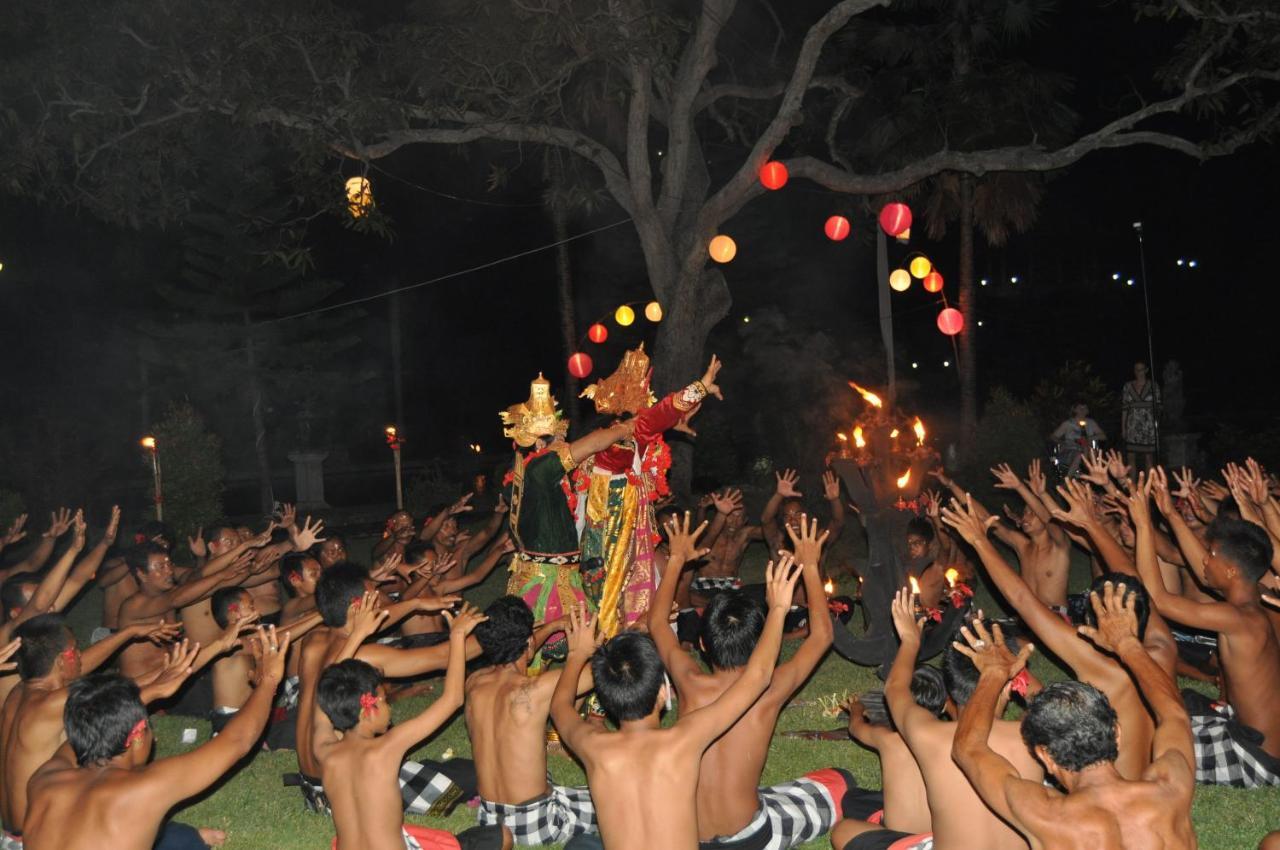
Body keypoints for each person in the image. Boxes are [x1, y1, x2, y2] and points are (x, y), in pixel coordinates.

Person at [551, 557, 800, 850]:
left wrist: (577, 655)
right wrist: (779, 608)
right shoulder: (685, 739)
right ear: (662, 692)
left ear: (606, 698)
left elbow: (559, 707)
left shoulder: (592, 745)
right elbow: (757, 676)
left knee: (581, 844)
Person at [649, 514, 862, 849]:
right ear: (761, 643)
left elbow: (659, 623)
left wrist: (675, 559)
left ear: (704, 644)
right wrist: (809, 564)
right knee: (839, 781)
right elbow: (822, 635)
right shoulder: (770, 690)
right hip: (751, 837)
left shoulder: (688, 681)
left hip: (687, 831)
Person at [951, 585, 1197, 850]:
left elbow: (968, 748)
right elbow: (1174, 714)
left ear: (1046, 756)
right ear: (1116, 732)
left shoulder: (1046, 815)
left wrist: (993, 673)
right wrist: (1127, 644)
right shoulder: (1170, 788)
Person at [940, 493, 1168, 779]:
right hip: (1147, 782)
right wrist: (1093, 526)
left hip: (1105, 794)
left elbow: (1024, 600)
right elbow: (1136, 583)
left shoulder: (1104, 668)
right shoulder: (1163, 648)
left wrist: (978, 541)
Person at [21, 626, 290, 850]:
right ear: (136, 735)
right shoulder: (144, 789)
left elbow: (89, 725)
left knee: (175, 837)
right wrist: (269, 681)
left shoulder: (45, 777)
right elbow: (237, 742)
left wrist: (154, 689)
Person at [830, 588, 1043, 850]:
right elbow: (1042, 697)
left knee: (844, 831)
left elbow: (895, 688)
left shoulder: (928, 735)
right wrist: (1007, 666)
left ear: (950, 690)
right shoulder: (1034, 733)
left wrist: (910, 640)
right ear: (1013, 683)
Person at [313, 605, 509, 850]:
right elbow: (453, 700)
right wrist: (457, 637)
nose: (388, 706)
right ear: (367, 710)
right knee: (501, 836)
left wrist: (356, 636)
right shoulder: (387, 748)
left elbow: (320, 704)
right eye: (383, 699)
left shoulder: (325, 750)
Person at [1129, 471, 1280, 785]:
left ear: (1229, 569)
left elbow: (1158, 598)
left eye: (1211, 554)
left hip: (1253, 757)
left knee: (1144, 743)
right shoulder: (1258, 598)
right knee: (1168, 709)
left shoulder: (1239, 619)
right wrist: (1169, 513)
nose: (1205, 562)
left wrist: (1144, 523)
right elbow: (1202, 566)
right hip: (1244, 730)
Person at [292, 567, 480, 815]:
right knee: (479, 774)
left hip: (312, 783)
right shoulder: (363, 655)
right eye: (374, 595)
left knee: (445, 767)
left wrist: (416, 603)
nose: (382, 600)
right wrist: (499, 633)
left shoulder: (312, 642)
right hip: (348, 790)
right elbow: (442, 656)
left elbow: (377, 619)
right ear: (356, 606)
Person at [0, 614, 190, 844]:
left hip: (15, 830)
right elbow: (119, 693)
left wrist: (128, 632)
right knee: (173, 836)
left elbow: (77, 667)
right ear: (61, 661)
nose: (80, 655)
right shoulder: (49, 704)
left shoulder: (19, 693)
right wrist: (166, 680)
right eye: (76, 649)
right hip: (39, 836)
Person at [575, 348, 720, 637]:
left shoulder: (623, 440)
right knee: (614, 590)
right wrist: (701, 386)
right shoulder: (620, 440)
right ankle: (618, 643)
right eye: (644, 392)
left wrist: (670, 430)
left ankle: (628, 637)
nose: (648, 398)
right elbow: (660, 414)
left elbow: (653, 428)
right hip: (614, 532)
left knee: (630, 588)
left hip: (623, 529)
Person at [498, 373, 635, 668]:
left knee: (575, 644)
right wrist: (627, 428)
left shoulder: (523, 474)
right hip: (547, 578)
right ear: (538, 445)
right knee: (535, 656)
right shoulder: (540, 469)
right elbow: (594, 443)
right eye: (558, 439)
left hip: (542, 570)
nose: (564, 442)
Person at [464, 596, 596, 844]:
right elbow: (599, 671)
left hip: (489, 819)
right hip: (536, 823)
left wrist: (555, 625)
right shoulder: (537, 689)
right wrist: (591, 645)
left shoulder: (473, 683)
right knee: (609, 796)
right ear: (527, 643)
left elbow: (525, 643)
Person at [841, 669, 947, 837]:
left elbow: (855, 727)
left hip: (895, 834)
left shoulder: (888, 740)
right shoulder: (951, 738)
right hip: (943, 829)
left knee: (851, 799)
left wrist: (856, 709)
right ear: (944, 706)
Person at [1121, 361, 1160, 473]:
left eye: (1141, 369)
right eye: (1136, 369)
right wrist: (1123, 428)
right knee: (1131, 458)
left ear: (1146, 370)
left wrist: (1156, 426)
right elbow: (1124, 409)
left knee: (1149, 458)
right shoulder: (1128, 386)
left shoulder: (1153, 385)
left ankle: (1149, 487)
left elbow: (1158, 408)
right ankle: (1132, 487)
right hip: (1132, 426)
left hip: (1148, 427)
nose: (1139, 372)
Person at [1050, 403, 1107, 478]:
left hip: (1087, 450)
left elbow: (1103, 436)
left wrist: (1091, 438)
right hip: (1071, 450)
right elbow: (1053, 436)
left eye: (1085, 408)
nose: (1082, 410)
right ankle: (1067, 480)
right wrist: (1062, 443)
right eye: (1080, 408)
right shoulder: (1068, 424)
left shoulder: (1091, 423)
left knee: (1092, 452)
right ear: (1075, 410)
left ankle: (1092, 478)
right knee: (1079, 455)